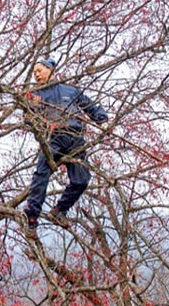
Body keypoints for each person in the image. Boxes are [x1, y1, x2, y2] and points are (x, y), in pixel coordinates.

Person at [22, 58, 108, 239]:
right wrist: (33, 112)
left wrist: (101, 118)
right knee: (41, 175)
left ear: (50, 69)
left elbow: (89, 106)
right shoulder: (34, 94)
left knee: (82, 180)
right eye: (34, 72)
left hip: (75, 138)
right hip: (52, 139)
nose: (36, 74)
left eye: (39, 70)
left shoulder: (71, 90)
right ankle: (32, 218)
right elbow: (29, 120)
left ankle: (59, 210)